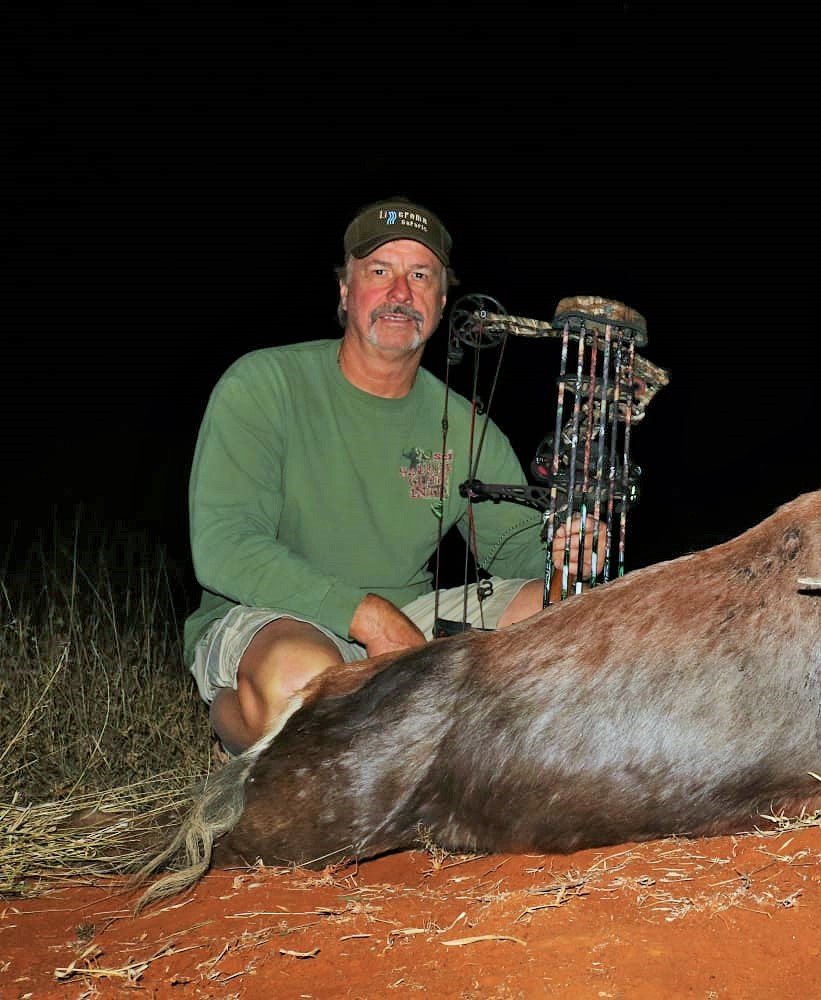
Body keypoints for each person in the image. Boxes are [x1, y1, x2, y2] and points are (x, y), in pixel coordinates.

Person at [185, 197, 560, 754]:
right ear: (345, 290)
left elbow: (517, 550)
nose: (400, 293)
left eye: (420, 275)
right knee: (302, 678)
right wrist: (368, 618)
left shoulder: (464, 425)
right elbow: (224, 548)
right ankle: (240, 748)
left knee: (559, 609)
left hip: (407, 622)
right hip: (274, 616)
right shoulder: (262, 384)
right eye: (380, 272)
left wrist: (569, 553)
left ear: (440, 300)